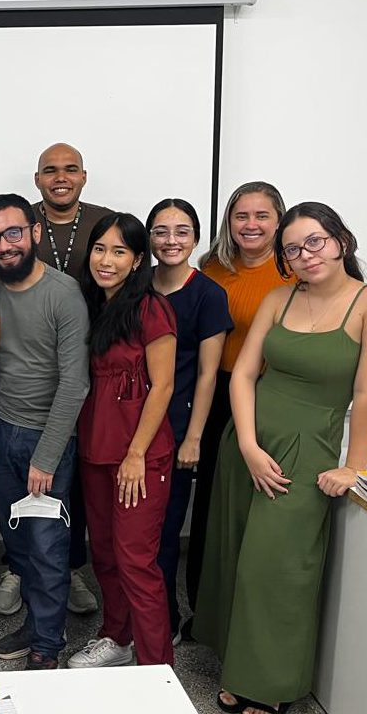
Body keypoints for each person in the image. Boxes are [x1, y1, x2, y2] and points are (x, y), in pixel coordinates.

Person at [196, 203, 367, 714]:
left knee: (278, 568)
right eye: (292, 249)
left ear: (341, 241)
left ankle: (269, 684)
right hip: (247, 442)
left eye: (315, 241)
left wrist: (353, 466)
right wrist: (247, 445)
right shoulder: (278, 297)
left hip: (306, 449)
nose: (305, 254)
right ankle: (238, 665)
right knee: (235, 558)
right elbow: (244, 374)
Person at [0, 194, 89, 671]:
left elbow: (75, 383)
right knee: (19, 541)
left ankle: (47, 644)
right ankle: (39, 622)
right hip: (4, 432)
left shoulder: (64, 294)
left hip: (50, 439)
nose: (4, 245)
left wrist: (46, 457)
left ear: (35, 232)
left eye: (13, 233)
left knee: (47, 547)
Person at [69, 212, 176, 670]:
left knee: (136, 561)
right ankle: (117, 637)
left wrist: (136, 454)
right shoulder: (92, 305)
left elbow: (164, 385)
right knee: (105, 554)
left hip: (139, 455)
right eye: (99, 249)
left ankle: (157, 669)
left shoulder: (151, 309)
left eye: (119, 251)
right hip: (96, 447)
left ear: (137, 260)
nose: (106, 260)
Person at [187, 181, 291, 637]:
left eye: (261, 215)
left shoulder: (295, 272)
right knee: (213, 501)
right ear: (228, 221)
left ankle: (251, 614)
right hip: (218, 392)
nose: (251, 225)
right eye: (241, 215)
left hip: (273, 395)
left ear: (279, 221)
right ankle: (204, 609)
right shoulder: (212, 268)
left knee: (261, 501)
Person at [24, 141, 112, 616]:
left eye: (70, 169)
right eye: (51, 170)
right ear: (37, 179)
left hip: (95, 364)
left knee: (75, 474)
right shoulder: (22, 221)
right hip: (32, 368)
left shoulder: (104, 222)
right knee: (28, 468)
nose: (61, 177)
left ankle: (72, 566)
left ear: (84, 176)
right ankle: (18, 568)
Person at [146, 200, 232, 644]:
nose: (171, 241)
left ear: (196, 238)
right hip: (131, 424)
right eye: (161, 231)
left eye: (182, 231)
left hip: (176, 428)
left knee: (162, 532)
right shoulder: (136, 284)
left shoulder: (208, 295)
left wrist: (194, 437)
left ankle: (164, 618)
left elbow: (207, 374)